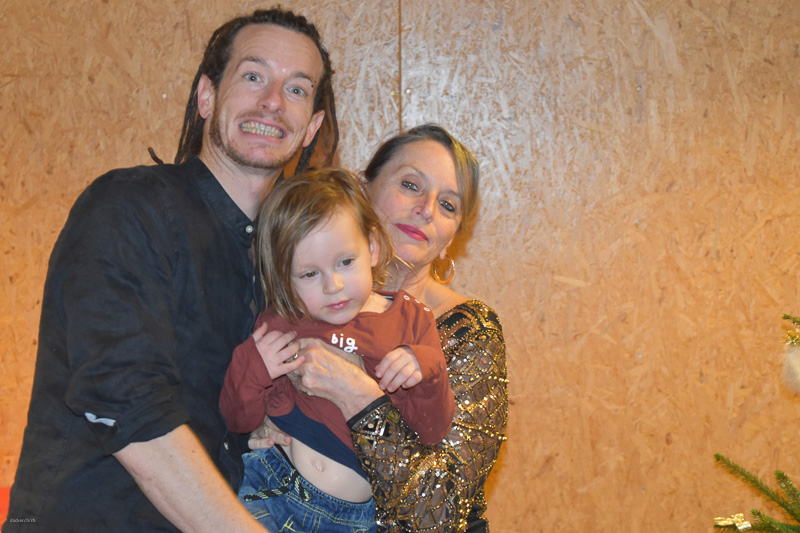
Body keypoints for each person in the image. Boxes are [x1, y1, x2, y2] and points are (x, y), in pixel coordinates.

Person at [4, 7, 338, 532]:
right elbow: (126, 403)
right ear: (206, 96)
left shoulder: (284, 264)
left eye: (296, 89)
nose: (273, 101)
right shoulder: (129, 205)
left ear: (310, 128)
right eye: (253, 76)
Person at [250, 124, 508, 533]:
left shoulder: (469, 330)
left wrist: (358, 394)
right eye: (411, 185)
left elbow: (440, 514)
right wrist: (259, 426)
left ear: (450, 240)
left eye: (448, 205)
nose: (426, 209)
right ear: (362, 189)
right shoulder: (302, 291)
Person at [220, 167, 456, 532]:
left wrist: (427, 369)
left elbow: (432, 431)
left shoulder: (411, 322)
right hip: (272, 484)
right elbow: (240, 421)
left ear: (372, 248)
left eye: (345, 262)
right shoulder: (281, 321)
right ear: (284, 278)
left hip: (352, 520)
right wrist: (252, 364)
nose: (333, 286)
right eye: (309, 274)